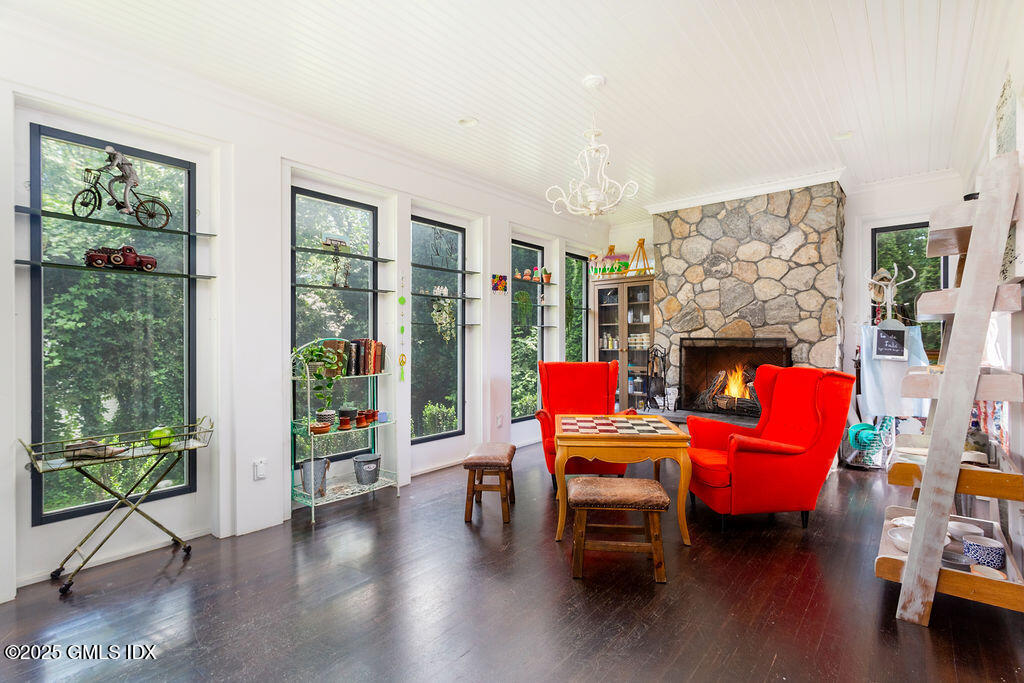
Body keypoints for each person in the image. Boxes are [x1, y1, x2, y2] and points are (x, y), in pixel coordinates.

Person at [97, 145, 139, 214]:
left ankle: (129, 209)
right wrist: (101, 169)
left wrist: (108, 168)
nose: (107, 153)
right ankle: (114, 198)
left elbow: (113, 165)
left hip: (131, 176)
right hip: (125, 175)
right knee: (111, 181)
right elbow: (110, 164)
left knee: (126, 192)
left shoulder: (118, 155)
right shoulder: (111, 156)